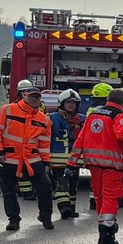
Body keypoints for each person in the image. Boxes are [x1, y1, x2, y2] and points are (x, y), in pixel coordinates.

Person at [0, 79, 54, 231]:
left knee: (45, 188)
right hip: (9, 158)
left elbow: (44, 143)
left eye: (37, 97)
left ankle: (46, 216)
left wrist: (46, 162)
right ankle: (13, 219)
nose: (35, 99)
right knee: (8, 191)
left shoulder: (44, 119)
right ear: (24, 95)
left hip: (32, 160)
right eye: (32, 96)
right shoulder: (7, 110)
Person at [73, 87, 123, 244]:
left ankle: (104, 230)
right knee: (111, 198)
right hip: (112, 165)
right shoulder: (119, 115)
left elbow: (80, 140)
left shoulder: (93, 115)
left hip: (93, 164)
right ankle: (106, 233)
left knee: (100, 197)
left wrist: (71, 163)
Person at [48, 90, 86, 219]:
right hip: (57, 159)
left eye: (73, 103)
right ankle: (64, 208)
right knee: (62, 183)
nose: (71, 105)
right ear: (62, 103)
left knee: (74, 184)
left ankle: (72, 208)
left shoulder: (82, 119)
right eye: (68, 102)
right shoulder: (52, 118)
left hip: (75, 160)